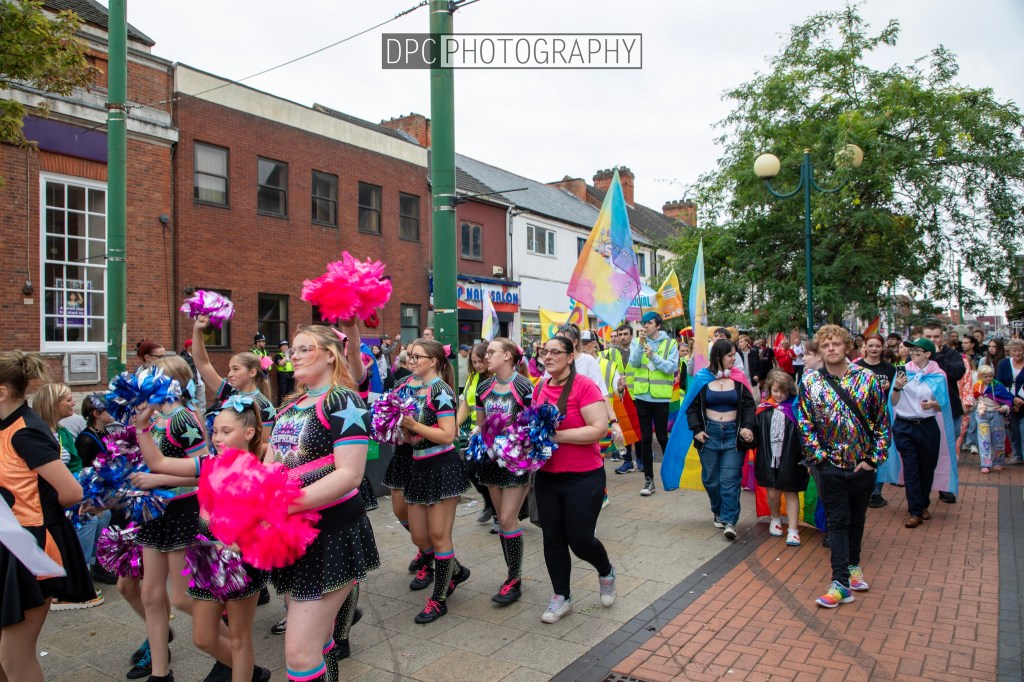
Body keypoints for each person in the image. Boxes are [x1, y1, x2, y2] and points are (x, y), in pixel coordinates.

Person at [269, 325, 379, 680]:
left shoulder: (344, 400)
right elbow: (269, 468)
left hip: (332, 532)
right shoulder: (290, 407)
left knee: (300, 654)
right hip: (291, 535)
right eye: (293, 350)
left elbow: (349, 475)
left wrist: (284, 505)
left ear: (331, 354)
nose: (293, 356)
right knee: (321, 638)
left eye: (304, 349)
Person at [135, 397, 271, 682]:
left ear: (248, 433)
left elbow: (270, 518)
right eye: (216, 431)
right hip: (206, 559)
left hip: (242, 562)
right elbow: (157, 462)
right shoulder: (209, 463)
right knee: (203, 637)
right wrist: (142, 427)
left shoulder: (259, 471)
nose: (218, 438)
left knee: (238, 636)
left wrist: (242, 538)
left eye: (226, 431)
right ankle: (250, 674)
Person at [0, 352, 93, 682]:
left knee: (15, 656)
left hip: (31, 546)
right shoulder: (7, 425)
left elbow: (71, 491)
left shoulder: (26, 432)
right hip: (8, 541)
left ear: (2, 391)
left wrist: (32, 512)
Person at [128, 355, 209, 682]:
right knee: (150, 594)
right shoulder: (152, 418)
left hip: (181, 513)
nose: (142, 384)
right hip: (154, 513)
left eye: (151, 378)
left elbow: (207, 471)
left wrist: (159, 480)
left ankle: (231, 638)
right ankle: (160, 673)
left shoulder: (183, 419)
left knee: (181, 597)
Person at [797, 325, 890, 609]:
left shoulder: (867, 379)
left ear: (847, 347)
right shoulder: (810, 382)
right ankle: (839, 582)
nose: (831, 349)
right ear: (819, 350)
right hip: (829, 467)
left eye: (837, 344)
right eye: (826, 346)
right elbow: (805, 423)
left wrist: (872, 459)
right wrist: (820, 461)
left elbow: (881, 423)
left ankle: (853, 566)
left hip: (861, 465)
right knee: (837, 520)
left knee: (857, 518)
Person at [532, 335, 617, 624]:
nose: (549, 356)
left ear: (571, 357)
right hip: (547, 476)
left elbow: (598, 428)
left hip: (584, 476)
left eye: (556, 352)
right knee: (552, 538)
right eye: (546, 352)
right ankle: (561, 596)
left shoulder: (584, 386)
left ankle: (605, 570)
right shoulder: (541, 387)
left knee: (580, 540)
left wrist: (558, 436)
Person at [398, 339, 470, 624]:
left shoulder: (441, 390)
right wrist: (406, 434)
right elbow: (415, 433)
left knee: (440, 536)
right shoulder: (415, 388)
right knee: (419, 536)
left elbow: (448, 434)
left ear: (434, 361)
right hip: (418, 465)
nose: (412, 361)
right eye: (410, 356)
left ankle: (438, 600)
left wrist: (414, 426)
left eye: (418, 357)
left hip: (442, 466)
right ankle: (455, 570)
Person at [32, 382, 107, 610]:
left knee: (103, 516)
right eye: (67, 400)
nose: (73, 402)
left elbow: (75, 465)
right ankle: (68, 581)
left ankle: (88, 570)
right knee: (88, 520)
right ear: (52, 404)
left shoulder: (62, 431)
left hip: (67, 491)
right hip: (46, 500)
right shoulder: (36, 433)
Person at [475, 338, 535, 605]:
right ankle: (512, 575)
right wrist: (486, 441)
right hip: (491, 461)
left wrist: (514, 440)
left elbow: (533, 424)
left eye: (491, 352)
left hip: (516, 461)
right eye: (486, 352)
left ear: (508, 356)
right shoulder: (484, 385)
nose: (486, 357)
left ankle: (514, 579)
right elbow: (481, 421)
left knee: (509, 519)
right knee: (502, 519)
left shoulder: (523, 385)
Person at [686, 339, 756, 540]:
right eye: (730, 355)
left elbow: (750, 407)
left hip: (734, 437)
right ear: (718, 357)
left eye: (735, 355)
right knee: (710, 480)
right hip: (709, 436)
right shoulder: (702, 378)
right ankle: (718, 509)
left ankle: (730, 520)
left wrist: (748, 427)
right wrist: (697, 429)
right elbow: (691, 407)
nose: (734, 359)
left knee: (730, 479)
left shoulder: (739, 378)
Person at [885, 338, 956, 528]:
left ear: (928, 354)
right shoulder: (902, 371)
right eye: (911, 350)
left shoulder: (939, 375)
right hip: (904, 426)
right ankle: (914, 510)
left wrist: (934, 405)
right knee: (910, 467)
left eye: (918, 350)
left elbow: (944, 405)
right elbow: (893, 401)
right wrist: (898, 387)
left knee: (927, 467)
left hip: (927, 426)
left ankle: (923, 503)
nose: (913, 353)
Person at [191, 315, 276, 450]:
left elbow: (267, 446)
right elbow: (203, 364)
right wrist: (197, 330)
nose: (230, 374)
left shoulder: (265, 406)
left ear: (252, 372)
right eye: (229, 369)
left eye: (236, 369)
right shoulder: (230, 392)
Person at [753, 370, 808, 547]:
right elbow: (755, 433)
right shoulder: (763, 409)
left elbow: (805, 435)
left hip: (791, 458)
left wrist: (805, 457)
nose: (779, 395)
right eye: (775, 390)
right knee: (772, 492)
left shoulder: (796, 410)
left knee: (791, 492)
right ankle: (775, 518)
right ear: (769, 389)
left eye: (783, 391)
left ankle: (793, 529)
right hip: (768, 457)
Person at [628, 312, 679, 496]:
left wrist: (654, 357)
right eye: (644, 323)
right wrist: (641, 345)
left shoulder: (670, 343)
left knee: (663, 438)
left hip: (661, 398)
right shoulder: (637, 342)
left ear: (658, 325)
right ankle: (649, 480)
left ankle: (672, 475)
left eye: (649, 323)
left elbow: (671, 368)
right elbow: (633, 363)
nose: (645, 326)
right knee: (646, 438)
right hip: (642, 396)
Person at [922, 322, 966, 503]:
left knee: (947, 451)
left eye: (936, 336)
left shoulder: (951, 354)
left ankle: (944, 487)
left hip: (949, 410)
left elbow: (957, 373)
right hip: (923, 412)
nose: (932, 340)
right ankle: (923, 491)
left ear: (942, 336)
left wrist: (937, 355)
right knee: (925, 453)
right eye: (928, 337)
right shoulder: (916, 355)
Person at [456, 343, 496, 530]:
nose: (479, 365)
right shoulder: (473, 378)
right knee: (470, 470)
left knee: (492, 474)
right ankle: (489, 502)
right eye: (474, 362)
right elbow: (465, 404)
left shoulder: (497, 377)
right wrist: (454, 424)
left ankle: (498, 515)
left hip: (496, 435)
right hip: (476, 434)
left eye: (481, 361)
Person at [854, 335, 896, 508]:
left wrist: (891, 388)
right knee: (862, 452)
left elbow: (896, 394)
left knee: (879, 452)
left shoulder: (889, 368)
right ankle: (861, 489)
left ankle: (876, 492)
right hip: (861, 417)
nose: (873, 349)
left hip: (882, 416)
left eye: (877, 346)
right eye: (870, 345)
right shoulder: (856, 366)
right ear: (865, 347)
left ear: (882, 348)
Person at [973, 364, 1011, 473]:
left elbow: (1007, 398)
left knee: (998, 438)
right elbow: (974, 398)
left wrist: (1005, 407)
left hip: (996, 414)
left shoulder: (998, 385)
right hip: (982, 415)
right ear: (980, 376)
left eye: (990, 376)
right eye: (985, 376)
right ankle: (985, 463)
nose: (988, 378)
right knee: (984, 439)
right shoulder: (977, 386)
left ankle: (999, 461)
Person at [996, 338, 1024, 464]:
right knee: (1014, 430)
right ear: (1010, 351)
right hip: (1009, 401)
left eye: (1020, 350)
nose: (1017, 353)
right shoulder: (1004, 363)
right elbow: (999, 384)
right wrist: (1012, 401)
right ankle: (1017, 455)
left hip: (1023, 400)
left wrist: (1020, 400)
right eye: (1014, 350)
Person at [275, 340, 295, 406]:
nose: (286, 347)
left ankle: (289, 406)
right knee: (282, 393)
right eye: (283, 346)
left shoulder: (291, 356)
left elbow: (294, 364)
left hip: (291, 375)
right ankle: (280, 407)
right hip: (282, 375)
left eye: (286, 345)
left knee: (291, 393)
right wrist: (287, 355)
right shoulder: (278, 355)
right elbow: (281, 363)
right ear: (280, 348)